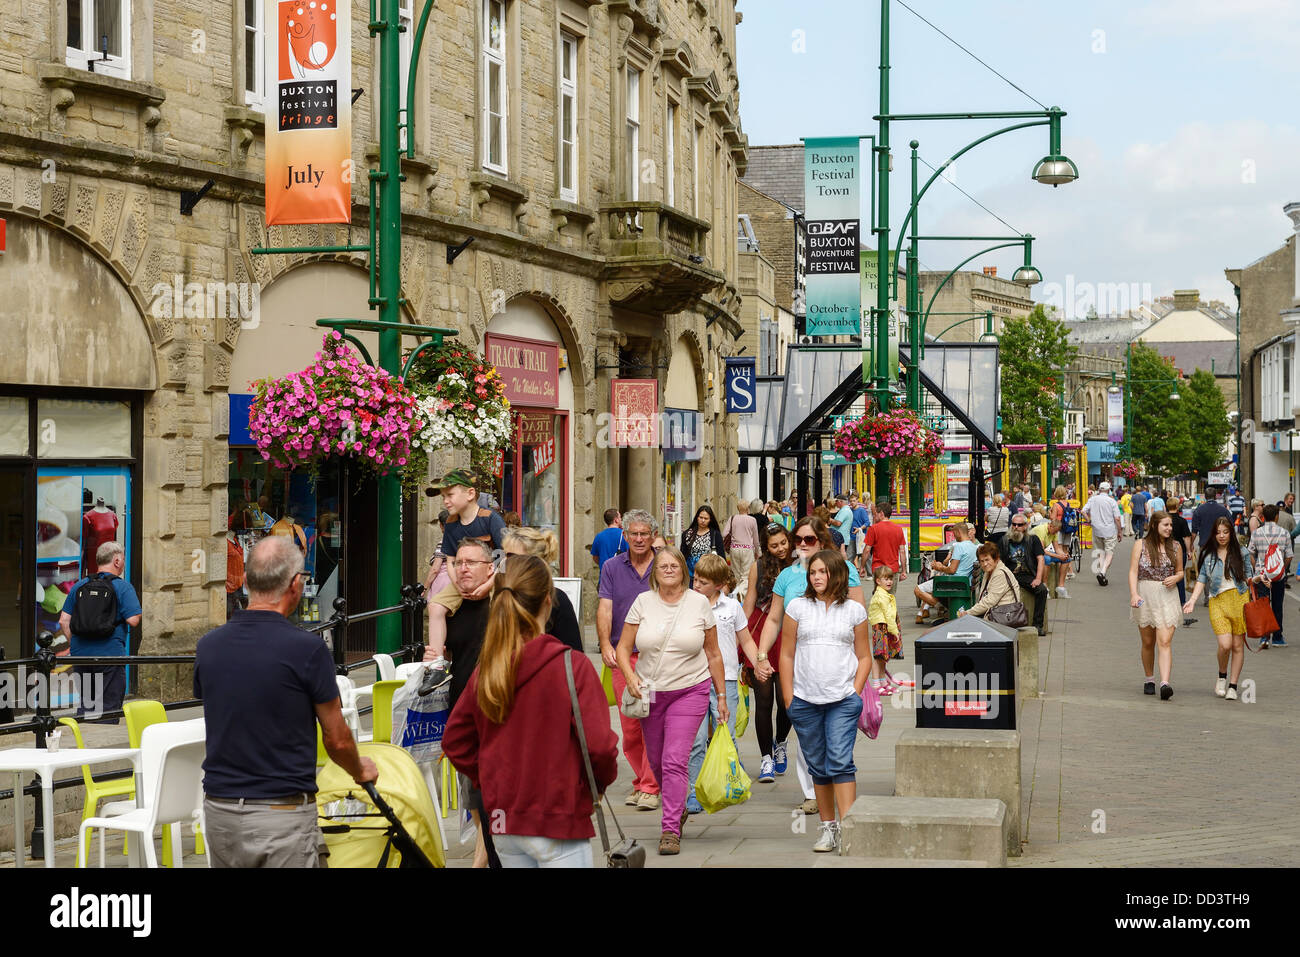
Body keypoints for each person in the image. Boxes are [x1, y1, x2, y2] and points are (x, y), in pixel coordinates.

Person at [195, 536, 377, 868]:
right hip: (281, 811)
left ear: (246, 581)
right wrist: (359, 769)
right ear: (296, 585)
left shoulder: (208, 646)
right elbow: (336, 739)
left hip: (220, 809)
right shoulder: (306, 650)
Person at [442, 554, 618, 868]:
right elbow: (600, 746)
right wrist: (596, 786)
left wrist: (490, 780)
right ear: (548, 601)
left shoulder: (489, 668)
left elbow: (455, 740)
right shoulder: (572, 666)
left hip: (505, 819)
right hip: (558, 815)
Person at [617, 545, 726, 855]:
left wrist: (720, 696)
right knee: (656, 761)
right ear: (655, 571)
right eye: (662, 565)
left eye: (673, 565)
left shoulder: (699, 603)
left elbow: (713, 653)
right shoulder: (643, 602)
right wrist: (630, 675)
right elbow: (624, 648)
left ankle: (669, 829)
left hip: (690, 689)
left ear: (683, 570)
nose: (667, 569)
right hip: (651, 692)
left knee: (674, 759)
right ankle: (677, 806)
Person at [755, 516, 867, 815]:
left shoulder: (846, 572)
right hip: (803, 668)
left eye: (809, 539)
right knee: (811, 747)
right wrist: (762, 653)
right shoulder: (789, 577)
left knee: (837, 749)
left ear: (821, 540)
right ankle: (813, 795)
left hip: (839, 674)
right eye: (799, 540)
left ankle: (840, 811)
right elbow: (775, 618)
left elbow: (858, 621)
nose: (802, 545)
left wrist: (856, 688)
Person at [779, 549, 871, 854]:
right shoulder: (797, 607)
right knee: (818, 766)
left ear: (838, 574)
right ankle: (828, 828)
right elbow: (787, 654)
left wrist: (855, 692)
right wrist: (790, 698)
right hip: (805, 700)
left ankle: (848, 829)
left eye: (823, 572)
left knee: (841, 760)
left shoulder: (855, 611)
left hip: (842, 699)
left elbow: (864, 656)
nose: (817, 577)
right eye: (813, 572)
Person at [428, 537, 506, 867]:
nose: (462, 569)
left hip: (500, 706)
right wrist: (435, 654)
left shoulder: (503, 602)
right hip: (462, 705)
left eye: (471, 562)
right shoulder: (452, 607)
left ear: (490, 568)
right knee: (470, 787)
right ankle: (486, 845)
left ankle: (485, 854)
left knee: (493, 785)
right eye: (458, 562)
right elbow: (445, 653)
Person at [685, 554, 761, 807]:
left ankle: (730, 780)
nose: (695, 585)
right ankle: (695, 791)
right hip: (694, 679)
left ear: (718, 584)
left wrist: (758, 662)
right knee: (695, 740)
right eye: (695, 579)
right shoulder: (687, 605)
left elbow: (746, 639)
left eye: (702, 582)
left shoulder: (732, 608)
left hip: (726, 680)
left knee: (725, 734)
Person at [596, 509, 660, 810]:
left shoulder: (664, 564)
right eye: (633, 533)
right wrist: (603, 643)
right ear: (625, 535)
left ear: (653, 536)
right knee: (631, 725)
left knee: (653, 722)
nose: (638, 538)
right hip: (623, 655)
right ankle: (641, 779)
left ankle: (650, 785)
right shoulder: (611, 566)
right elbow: (605, 607)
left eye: (644, 534)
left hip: (656, 655)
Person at [422, 469, 508, 692]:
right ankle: (437, 663)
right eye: (443, 496)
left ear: (470, 493)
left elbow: (505, 556)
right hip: (462, 580)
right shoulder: (451, 523)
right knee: (435, 606)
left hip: (493, 577)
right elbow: (450, 560)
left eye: (449, 495)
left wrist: (488, 584)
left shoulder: (490, 519)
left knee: (499, 607)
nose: (445, 500)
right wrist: (458, 585)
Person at [740, 522, 796, 796]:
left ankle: (781, 741)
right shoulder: (757, 567)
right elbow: (750, 601)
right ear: (766, 546)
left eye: (783, 543)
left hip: (789, 634)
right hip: (762, 632)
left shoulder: (800, 564)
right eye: (774, 545)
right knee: (763, 700)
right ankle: (765, 759)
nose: (780, 549)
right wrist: (741, 637)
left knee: (786, 701)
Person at [59, 541, 141, 719]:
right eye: (123, 560)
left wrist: (75, 644)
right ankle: (103, 745)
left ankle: (83, 741)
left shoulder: (80, 585)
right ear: (117, 561)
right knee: (108, 709)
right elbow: (133, 620)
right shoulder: (123, 587)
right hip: (109, 654)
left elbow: (64, 620)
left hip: (81, 655)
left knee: (87, 704)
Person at [1182, 516, 1254, 702]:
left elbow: (1248, 577)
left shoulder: (1242, 552)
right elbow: (1202, 579)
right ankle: (1222, 675)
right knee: (1225, 644)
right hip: (1218, 601)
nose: (1222, 536)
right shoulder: (1208, 554)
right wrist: (1192, 600)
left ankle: (1233, 685)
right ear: (1214, 534)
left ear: (1231, 533)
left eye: (1226, 532)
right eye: (1218, 532)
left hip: (1239, 600)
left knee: (1237, 646)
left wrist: (1259, 579)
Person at [1129, 511, 1184, 699]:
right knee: (1148, 642)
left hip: (1167, 595)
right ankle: (1149, 678)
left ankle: (1165, 683)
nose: (1169, 528)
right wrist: (1134, 594)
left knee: (1165, 641)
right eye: (1165, 525)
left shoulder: (1176, 546)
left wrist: (1176, 577)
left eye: (1170, 525)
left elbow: (1181, 571)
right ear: (1154, 525)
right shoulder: (1140, 545)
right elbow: (1133, 571)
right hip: (1145, 594)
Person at [503, 527, 583, 653]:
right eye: (504, 555)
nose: (505, 562)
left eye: (512, 556)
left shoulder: (557, 599)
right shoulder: (502, 592)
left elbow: (573, 654)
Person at [914, 521, 976, 624]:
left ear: (959, 532)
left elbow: (952, 570)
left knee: (918, 590)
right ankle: (939, 609)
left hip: (954, 582)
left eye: (954, 533)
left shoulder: (959, 546)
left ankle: (941, 608)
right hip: (965, 582)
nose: (954, 536)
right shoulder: (974, 547)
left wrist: (940, 567)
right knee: (930, 587)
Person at [1248, 503, 1292, 648]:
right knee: (1277, 605)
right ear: (1277, 517)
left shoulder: (1256, 533)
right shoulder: (1284, 533)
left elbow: (1250, 553)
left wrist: (1257, 568)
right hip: (1278, 576)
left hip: (1262, 575)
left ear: (1263, 517)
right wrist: (1281, 569)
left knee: (1263, 604)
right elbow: (1289, 556)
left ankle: (1264, 637)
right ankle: (1278, 637)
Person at [999, 513, 1048, 636]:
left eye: (1019, 525)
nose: (1016, 527)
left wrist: (1038, 578)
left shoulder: (1033, 539)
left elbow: (1041, 559)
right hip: (1009, 575)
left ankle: (1038, 625)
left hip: (1027, 575)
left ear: (1025, 526)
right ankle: (1003, 624)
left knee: (1042, 590)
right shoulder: (1005, 540)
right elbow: (998, 561)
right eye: (1014, 524)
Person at [959, 543, 1023, 621]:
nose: (985, 564)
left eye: (987, 560)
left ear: (996, 559)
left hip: (1005, 617)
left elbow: (989, 601)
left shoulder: (1000, 573)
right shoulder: (988, 571)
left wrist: (968, 612)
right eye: (982, 561)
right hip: (996, 616)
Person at [868, 565, 904, 695]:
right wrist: (895, 632)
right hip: (881, 627)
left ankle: (883, 682)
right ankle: (876, 684)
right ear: (878, 581)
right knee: (879, 657)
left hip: (885, 627)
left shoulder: (884, 594)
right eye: (886, 579)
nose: (889, 582)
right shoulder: (881, 596)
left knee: (883, 657)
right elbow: (888, 615)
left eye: (891, 579)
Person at [1082, 482, 1124, 587]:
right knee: (1109, 553)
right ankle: (1103, 572)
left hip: (1096, 530)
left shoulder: (1093, 499)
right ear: (1109, 490)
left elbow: (1083, 511)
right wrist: (1120, 531)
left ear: (1099, 489)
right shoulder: (1111, 501)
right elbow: (1117, 518)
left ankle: (1102, 574)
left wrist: (1089, 521)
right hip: (1109, 530)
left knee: (1101, 553)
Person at [1166, 497, 1197, 626]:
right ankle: (1181, 602)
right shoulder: (1181, 521)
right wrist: (1189, 551)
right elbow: (1187, 537)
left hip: (1166, 551)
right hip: (1181, 551)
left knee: (1167, 575)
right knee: (1179, 575)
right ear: (1177, 506)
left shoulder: (1163, 520)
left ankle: (1167, 602)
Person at [722, 498, 760, 598]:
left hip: (734, 549)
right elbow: (756, 539)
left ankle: (735, 593)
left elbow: (724, 533)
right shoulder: (752, 520)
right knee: (746, 575)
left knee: (736, 574)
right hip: (747, 549)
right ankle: (741, 594)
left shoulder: (733, 518)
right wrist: (757, 552)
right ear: (748, 508)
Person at [862, 499, 908, 581]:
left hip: (878, 569)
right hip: (893, 569)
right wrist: (904, 571)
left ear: (881, 514)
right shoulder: (898, 529)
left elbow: (867, 550)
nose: (874, 516)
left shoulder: (873, 529)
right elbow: (902, 551)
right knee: (891, 593)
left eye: (875, 514)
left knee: (880, 593)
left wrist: (862, 567)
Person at [681, 505, 726, 582]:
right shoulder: (687, 534)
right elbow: (682, 554)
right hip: (690, 573)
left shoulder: (715, 535)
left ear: (710, 520)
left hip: (708, 573)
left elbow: (721, 556)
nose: (703, 520)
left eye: (706, 518)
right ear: (697, 518)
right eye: (701, 517)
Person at [1031, 519, 1071, 597]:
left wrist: (1063, 555)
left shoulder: (1054, 531)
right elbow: (1041, 550)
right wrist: (1059, 556)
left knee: (1067, 559)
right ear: (1050, 526)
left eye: (1057, 532)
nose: (1055, 533)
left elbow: (1057, 549)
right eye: (1055, 531)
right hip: (1033, 553)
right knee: (1047, 559)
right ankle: (1045, 586)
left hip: (1041, 553)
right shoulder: (1041, 530)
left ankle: (1061, 586)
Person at [590, 509, 627, 583]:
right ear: (616, 520)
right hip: (621, 578)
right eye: (620, 518)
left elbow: (595, 558)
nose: (621, 520)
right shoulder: (624, 535)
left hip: (604, 578)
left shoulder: (599, 536)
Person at [1192, 489, 1232, 555]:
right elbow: (1231, 526)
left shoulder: (1198, 511)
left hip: (1204, 544)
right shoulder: (1224, 510)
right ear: (1215, 496)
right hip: (1220, 543)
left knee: (1205, 564)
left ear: (1205, 497)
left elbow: (1194, 531)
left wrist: (1191, 545)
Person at [225, 520, 246, 620]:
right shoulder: (225, 542)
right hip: (229, 586)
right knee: (230, 614)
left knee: (238, 614)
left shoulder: (235, 540)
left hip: (238, 583)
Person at [830, 493, 857, 564]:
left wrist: (828, 519)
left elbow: (838, 523)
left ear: (840, 502)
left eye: (836, 501)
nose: (835, 503)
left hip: (839, 539)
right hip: (841, 538)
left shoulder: (844, 510)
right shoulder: (845, 510)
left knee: (838, 559)